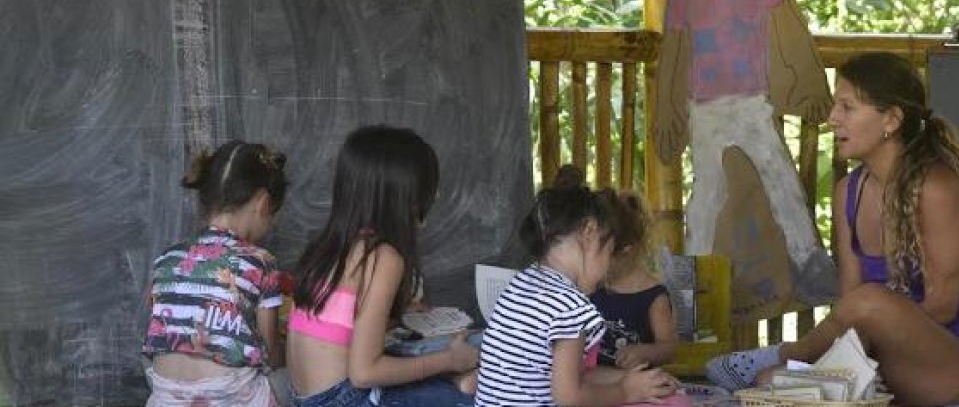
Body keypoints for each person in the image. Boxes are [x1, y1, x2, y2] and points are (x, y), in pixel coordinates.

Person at [705, 52, 959, 407]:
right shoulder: (849, 192)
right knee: (773, 381)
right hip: (884, 364)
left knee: (870, 301)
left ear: (891, 119)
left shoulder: (937, 188)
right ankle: (800, 370)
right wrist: (852, 359)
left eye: (847, 107)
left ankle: (789, 353)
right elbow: (848, 301)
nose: (833, 119)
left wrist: (865, 340)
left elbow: (942, 307)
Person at [655, 0, 836, 308]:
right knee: (707, 195)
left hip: (754, 103)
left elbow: (790, 31)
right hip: (705, 110)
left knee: (779, 177)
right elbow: (676, 54)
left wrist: (810, 84)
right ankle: (692, 287)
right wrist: (667, 110)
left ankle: (808, 260)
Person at [287, 125, 476, 407]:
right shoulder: (381, 256)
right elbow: (364, 373)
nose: (433, 198)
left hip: (304, 399)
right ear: (400, 195)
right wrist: (449, 359)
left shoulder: (328, 246)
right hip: (345, 399)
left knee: (449, 376)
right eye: (426, 188)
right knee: (482, 390)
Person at [474, 166, 686, 406]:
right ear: (589, 232)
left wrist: (633, 379)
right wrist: (626, 392)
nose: (606, 268)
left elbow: (574, 374)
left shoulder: (522, 283)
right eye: (608, 251)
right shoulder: (570, 307)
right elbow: (570, 397)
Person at [142, 141, 289, 406]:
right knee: (289, 379)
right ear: (263, 204)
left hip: (165, 396)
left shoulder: (166, 258)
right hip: (229, 396)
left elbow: (159, 330)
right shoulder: (261, 262)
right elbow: (270, 353)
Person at [589, 181, 679, 369]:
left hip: (634, 387)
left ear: (624, 250)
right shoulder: (591, 286)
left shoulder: (653, 296)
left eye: (595, 254)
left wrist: (644, 351)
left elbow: (669, 347)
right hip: (593, 385)